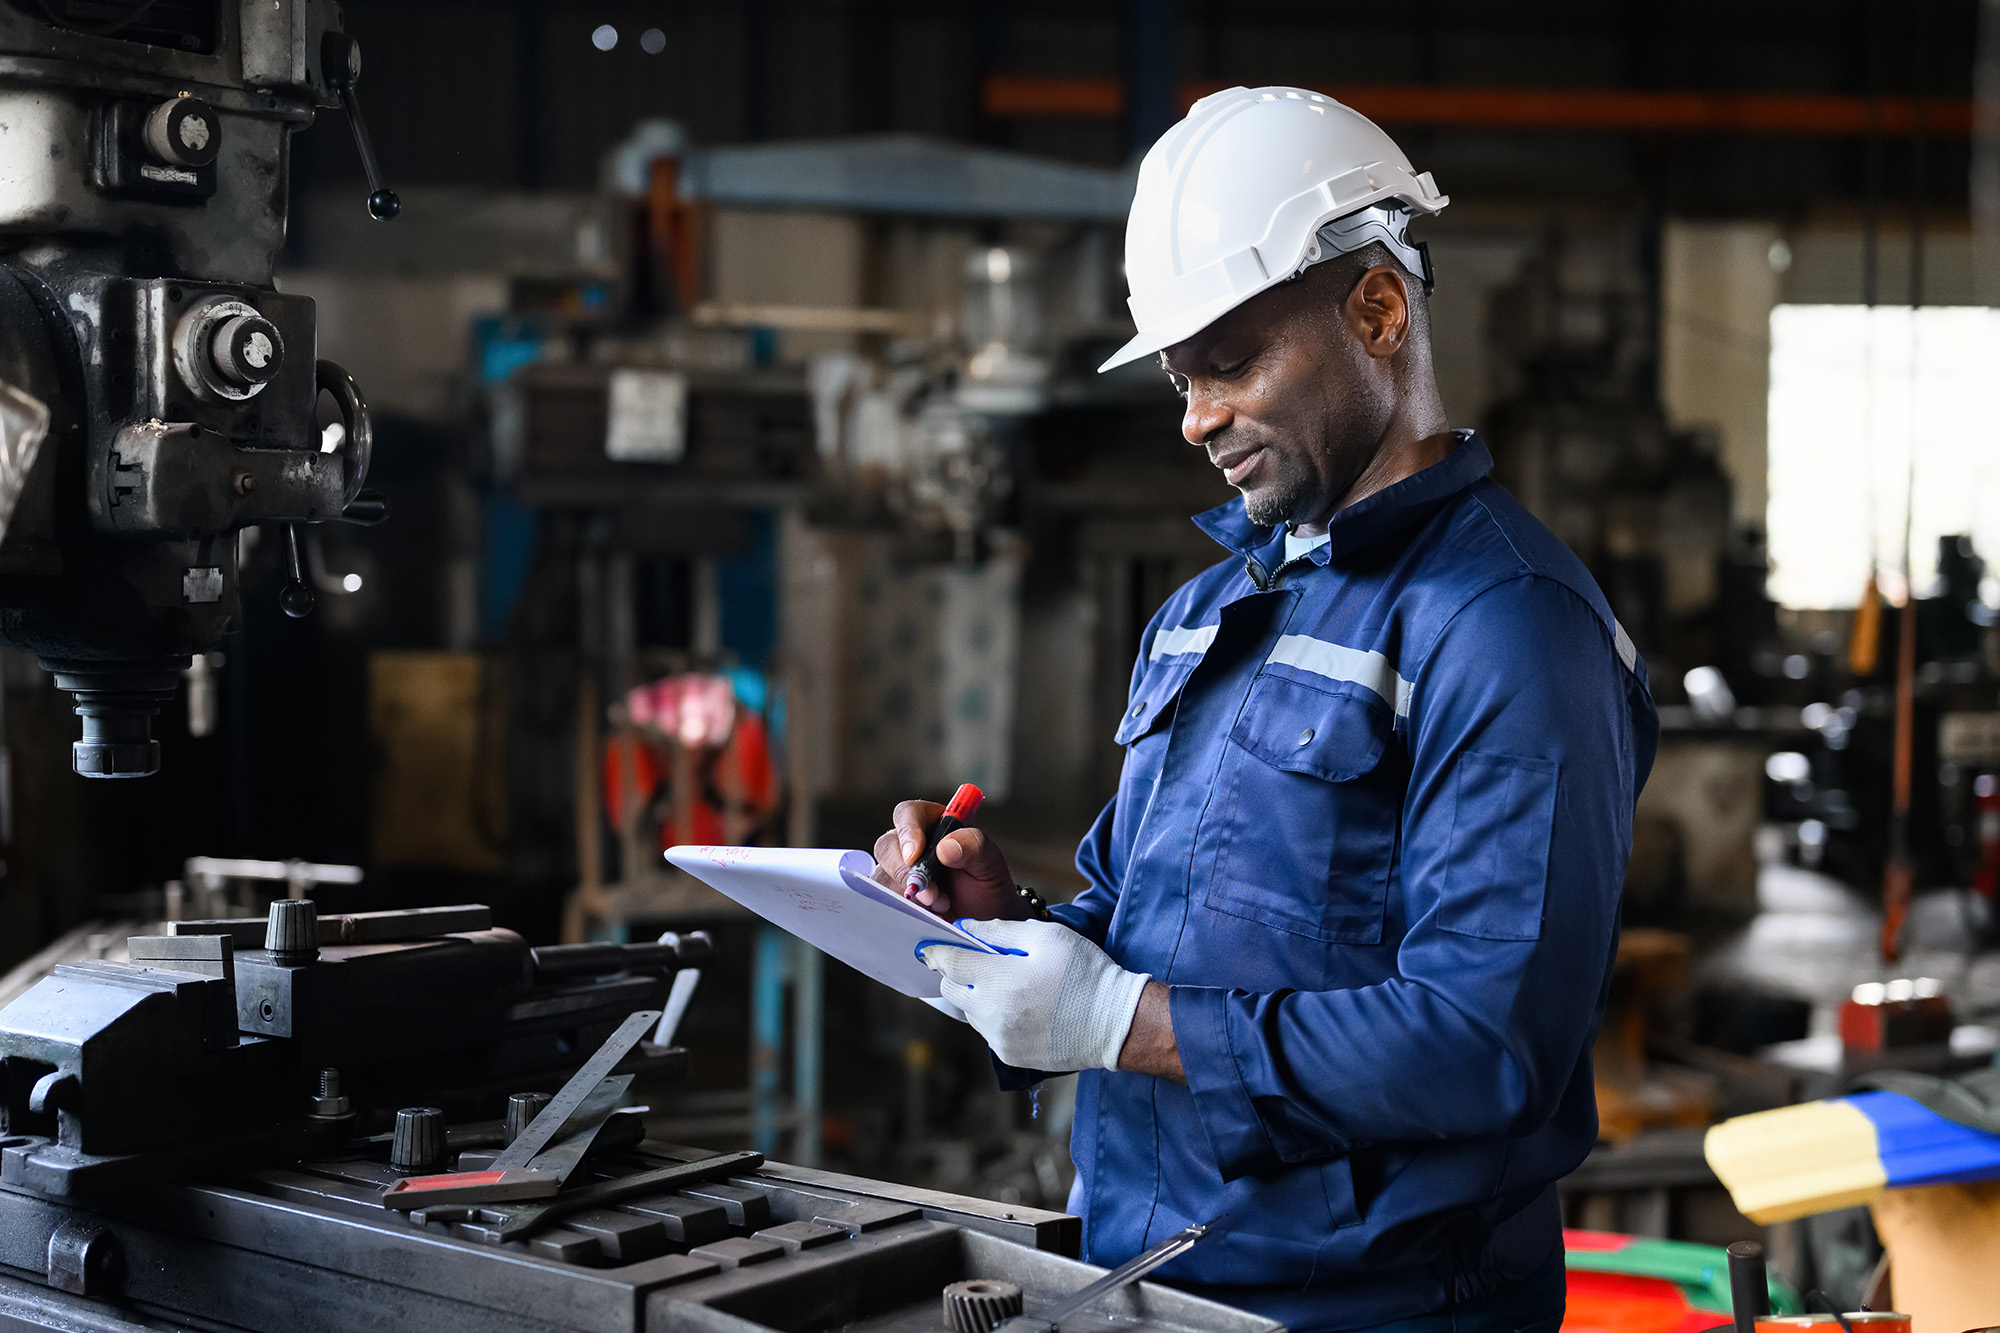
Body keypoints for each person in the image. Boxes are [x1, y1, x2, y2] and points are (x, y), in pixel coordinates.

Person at [873, 86, 1656, 1333]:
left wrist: (1115, 1023)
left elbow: (1483, 1041)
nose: (1194, 419)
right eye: (1182, 378)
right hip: (1152, 1280)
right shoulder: (1202, 612)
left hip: (1378, 1311)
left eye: (1230, 363)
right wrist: (1008, 925)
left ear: (1377, 308)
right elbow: (1139, 922)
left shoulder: (1505, 627)